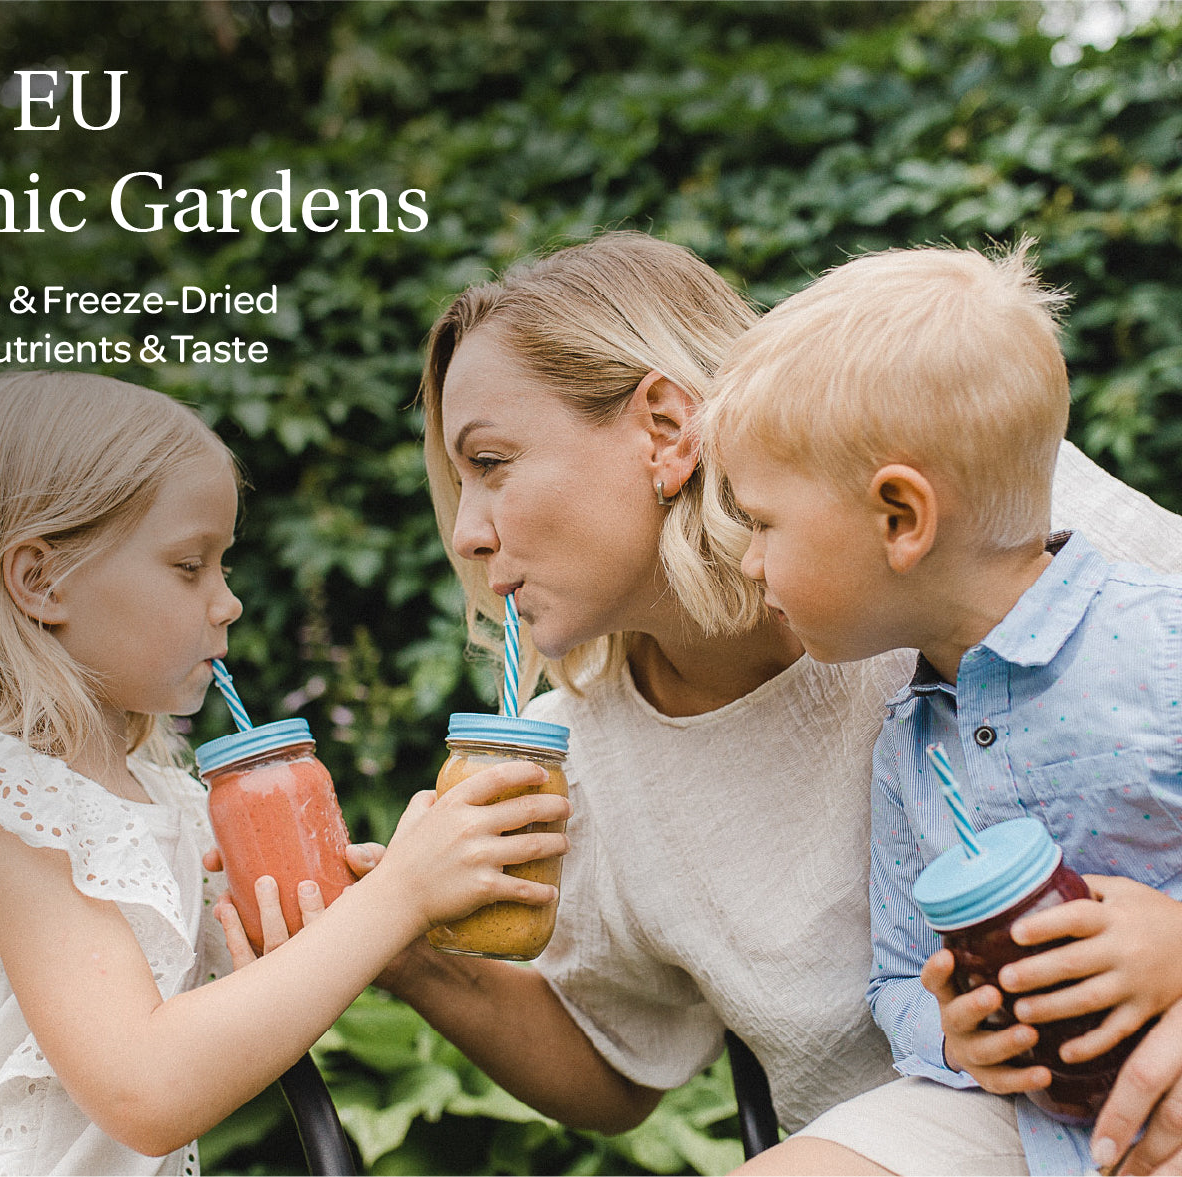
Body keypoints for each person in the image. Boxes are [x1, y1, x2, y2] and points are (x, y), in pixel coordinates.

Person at [345, 231, 1182, 1175]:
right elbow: (617, 1062)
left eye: (490, 462)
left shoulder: (976, 514)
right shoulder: (569, 757)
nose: (464, 532)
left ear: (664, 427)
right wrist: (393, 944)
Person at [0, 371, 570, 1175]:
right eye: (188, 565)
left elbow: (198, 1044)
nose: (228, 602)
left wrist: (333, 922)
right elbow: (149, 1090)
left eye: (223, 565)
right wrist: (400, 892)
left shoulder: (156, 793)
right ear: (41, 581)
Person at [702, 242, 1182, 1175]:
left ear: (900, 518)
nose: (750, 561)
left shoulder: (1161, 645)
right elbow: (898, 977)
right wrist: (960, 1032)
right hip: (1010, 1111)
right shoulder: (914, 739)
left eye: (762, 522)